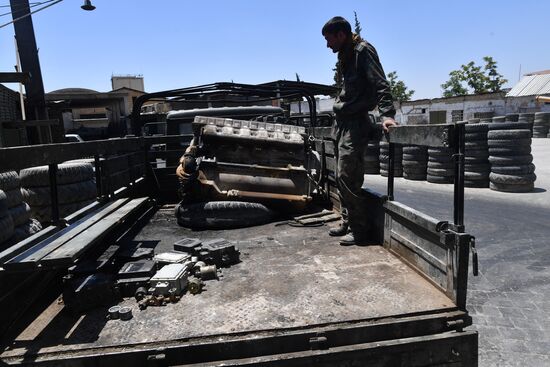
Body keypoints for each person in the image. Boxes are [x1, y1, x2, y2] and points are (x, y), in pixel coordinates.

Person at [322, 16, 397, 245]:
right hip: (342, 122)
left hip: (356, 123)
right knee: (341, 176)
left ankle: (360, 230)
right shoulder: (345, 56)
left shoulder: (363, 51)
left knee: (347, 175)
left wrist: (387, 115)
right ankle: (348, 220)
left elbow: (380, 83)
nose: (327, 45)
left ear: (341, 35)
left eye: (329, 39)